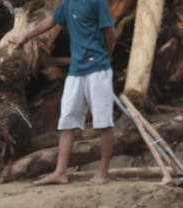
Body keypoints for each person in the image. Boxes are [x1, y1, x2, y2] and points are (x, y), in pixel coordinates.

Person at [15, 0, 116, 185]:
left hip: (98, 70)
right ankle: (60, 172)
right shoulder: (68, 3)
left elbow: (110, 33)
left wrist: (105, 57)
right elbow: (50, 21)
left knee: (103, 122)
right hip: (76, 71)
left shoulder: (98, 2)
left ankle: (103, 173)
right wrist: (26, 37)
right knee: (67, 122)